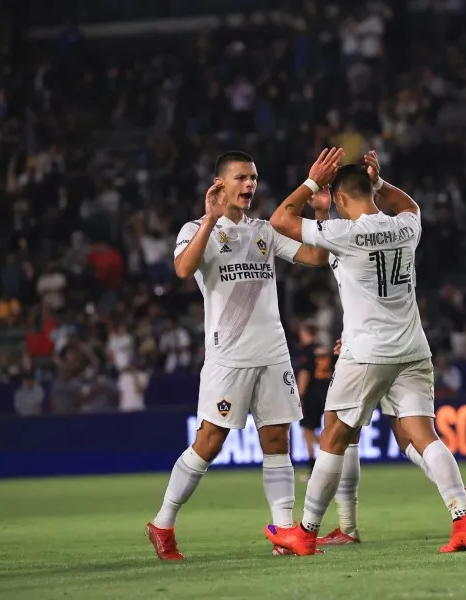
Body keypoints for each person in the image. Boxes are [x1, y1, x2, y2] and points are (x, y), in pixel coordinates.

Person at [264, 149, 466, 555]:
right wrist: (380, 184)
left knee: (333, 432)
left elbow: (280, 219)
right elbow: (410, 204)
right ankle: (462, 521)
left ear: (341, 199)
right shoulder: (405, 226)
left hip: (367, 351)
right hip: (413, 348)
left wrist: (312, 181)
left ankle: (306, 532)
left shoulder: (344, 234)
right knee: (424, 435)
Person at [145, 150, 341, 560]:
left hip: (272, 353)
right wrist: (211, 220)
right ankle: (162, 523)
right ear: (220, 184)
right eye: (241, 178)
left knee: (277, 440)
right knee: (208, 443)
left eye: (253, 177)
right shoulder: (195, 229)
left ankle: (285, 530)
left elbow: (317, 257)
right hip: (228, 356)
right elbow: (183, 270)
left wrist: (321, 216)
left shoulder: (265, 231)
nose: (250, 184)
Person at [314, 336, 466, 547]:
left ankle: (346, 528)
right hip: (409, 349)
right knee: (411, 436)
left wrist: (351, 337)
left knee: (342, 432)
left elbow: (366, 306)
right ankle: (458, 493)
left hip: (367, 353)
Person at [295, 321, 334, 481]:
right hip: (326, 393)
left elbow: (305, 373)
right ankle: (316, 467)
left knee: (307, 431)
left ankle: (331, 454)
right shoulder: (324, 348)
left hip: (311, 394)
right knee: (310, 431)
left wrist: (300, 395)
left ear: (307, 333)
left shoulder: (307, 351)